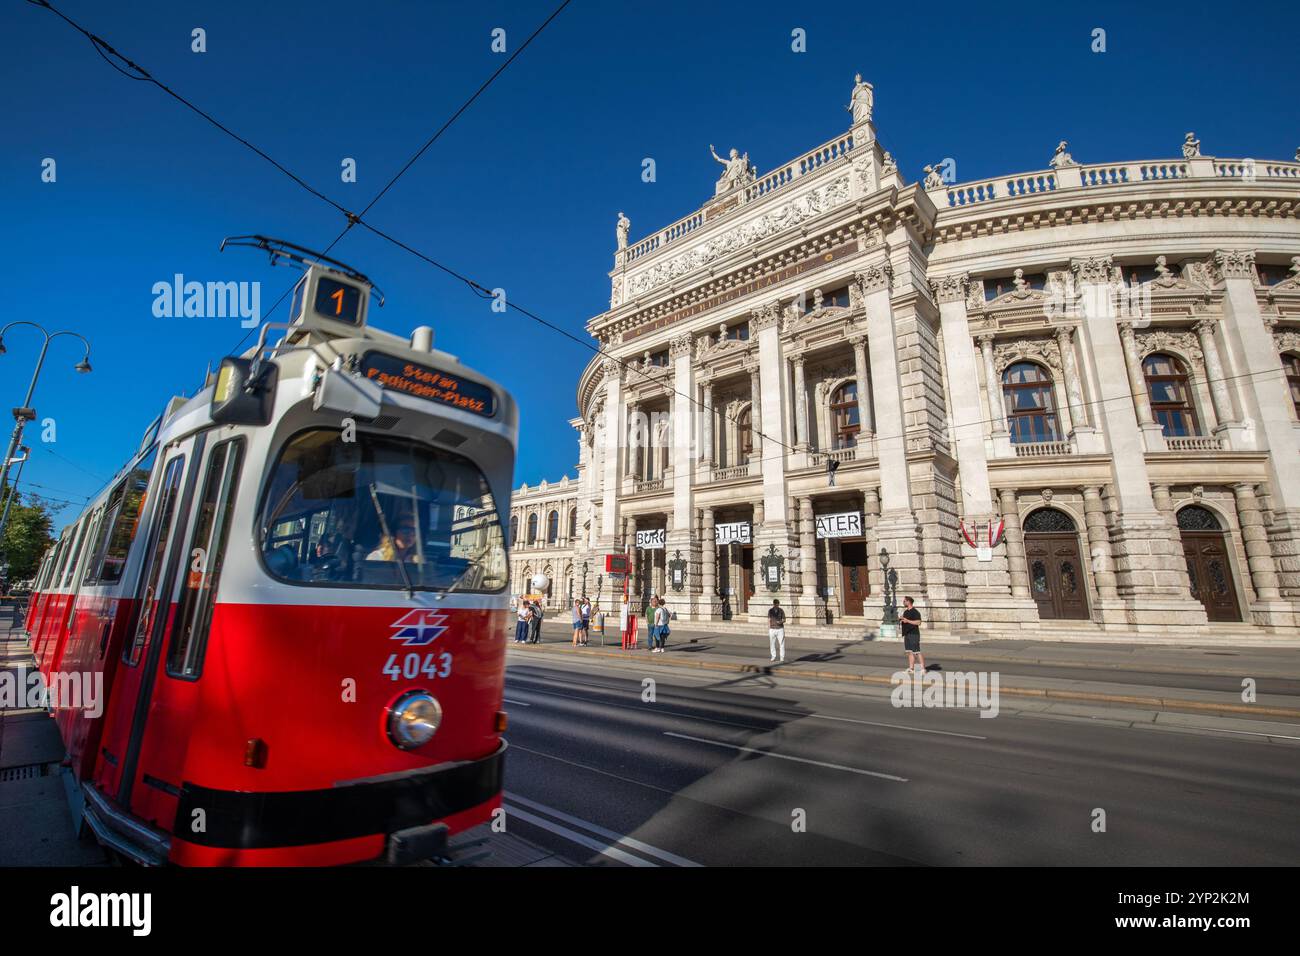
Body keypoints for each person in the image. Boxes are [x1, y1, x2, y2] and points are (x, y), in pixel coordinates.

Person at [901, 596, 925, 674]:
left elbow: (918, 622)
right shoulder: (906, 612)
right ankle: (911, 668)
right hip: (907, 634)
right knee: (909, 652)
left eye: (904, 601)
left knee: (917, 651)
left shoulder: (915, 612)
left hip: (914, 634)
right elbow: (906, 621)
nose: (903, 602)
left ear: (909, 602)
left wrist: (907, 620)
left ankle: (923, 669)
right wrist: (902, 619)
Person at [767, 598, 786, 663]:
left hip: (780, 629)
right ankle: (773, 656)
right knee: (772, 644)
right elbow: (769, 620)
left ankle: (782, 657)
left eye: (777, 604)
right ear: (773, 604)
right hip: (772, 629)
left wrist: (780, 622)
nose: (777, 605)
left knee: (781, 644)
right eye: (775, 604)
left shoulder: (781, 610)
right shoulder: (770, 611)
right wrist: (769, 629)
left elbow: (784, 619)